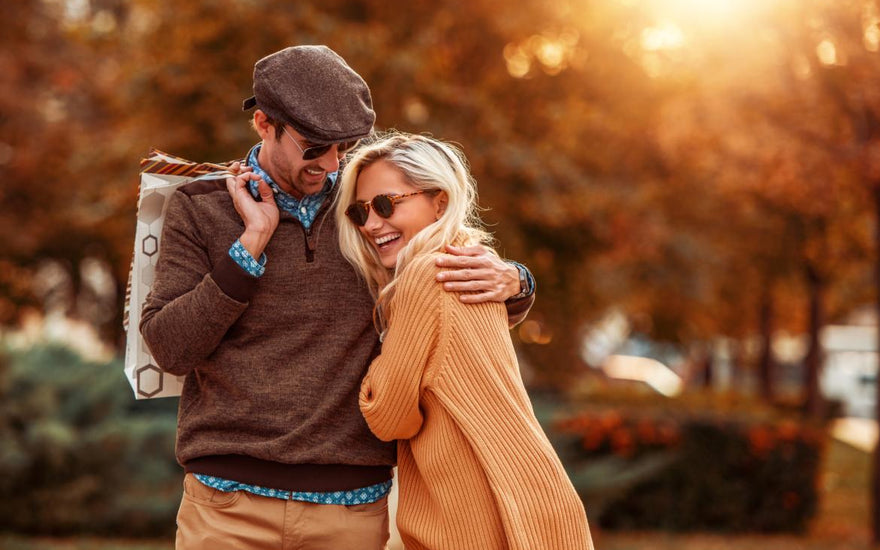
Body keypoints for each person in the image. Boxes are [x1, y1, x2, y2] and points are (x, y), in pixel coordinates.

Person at [139, 45, 535, 550]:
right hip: (225, 508)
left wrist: (516, 281)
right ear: (263, 123)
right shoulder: (200, 208)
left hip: (350, 513)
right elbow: (169, 347)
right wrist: (250, 245)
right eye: (313, 147)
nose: (330, 164)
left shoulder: (368, 210)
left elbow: (445, 275)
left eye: (343, 146)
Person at [336, 133, 593, 550]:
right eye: (359, 212)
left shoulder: (427, 274)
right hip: (529, 504)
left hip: (483, 521)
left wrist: (376, 363)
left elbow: (387, 415)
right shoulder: (472, 263)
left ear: (439, 201)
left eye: (385, 204)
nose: (371, 224)